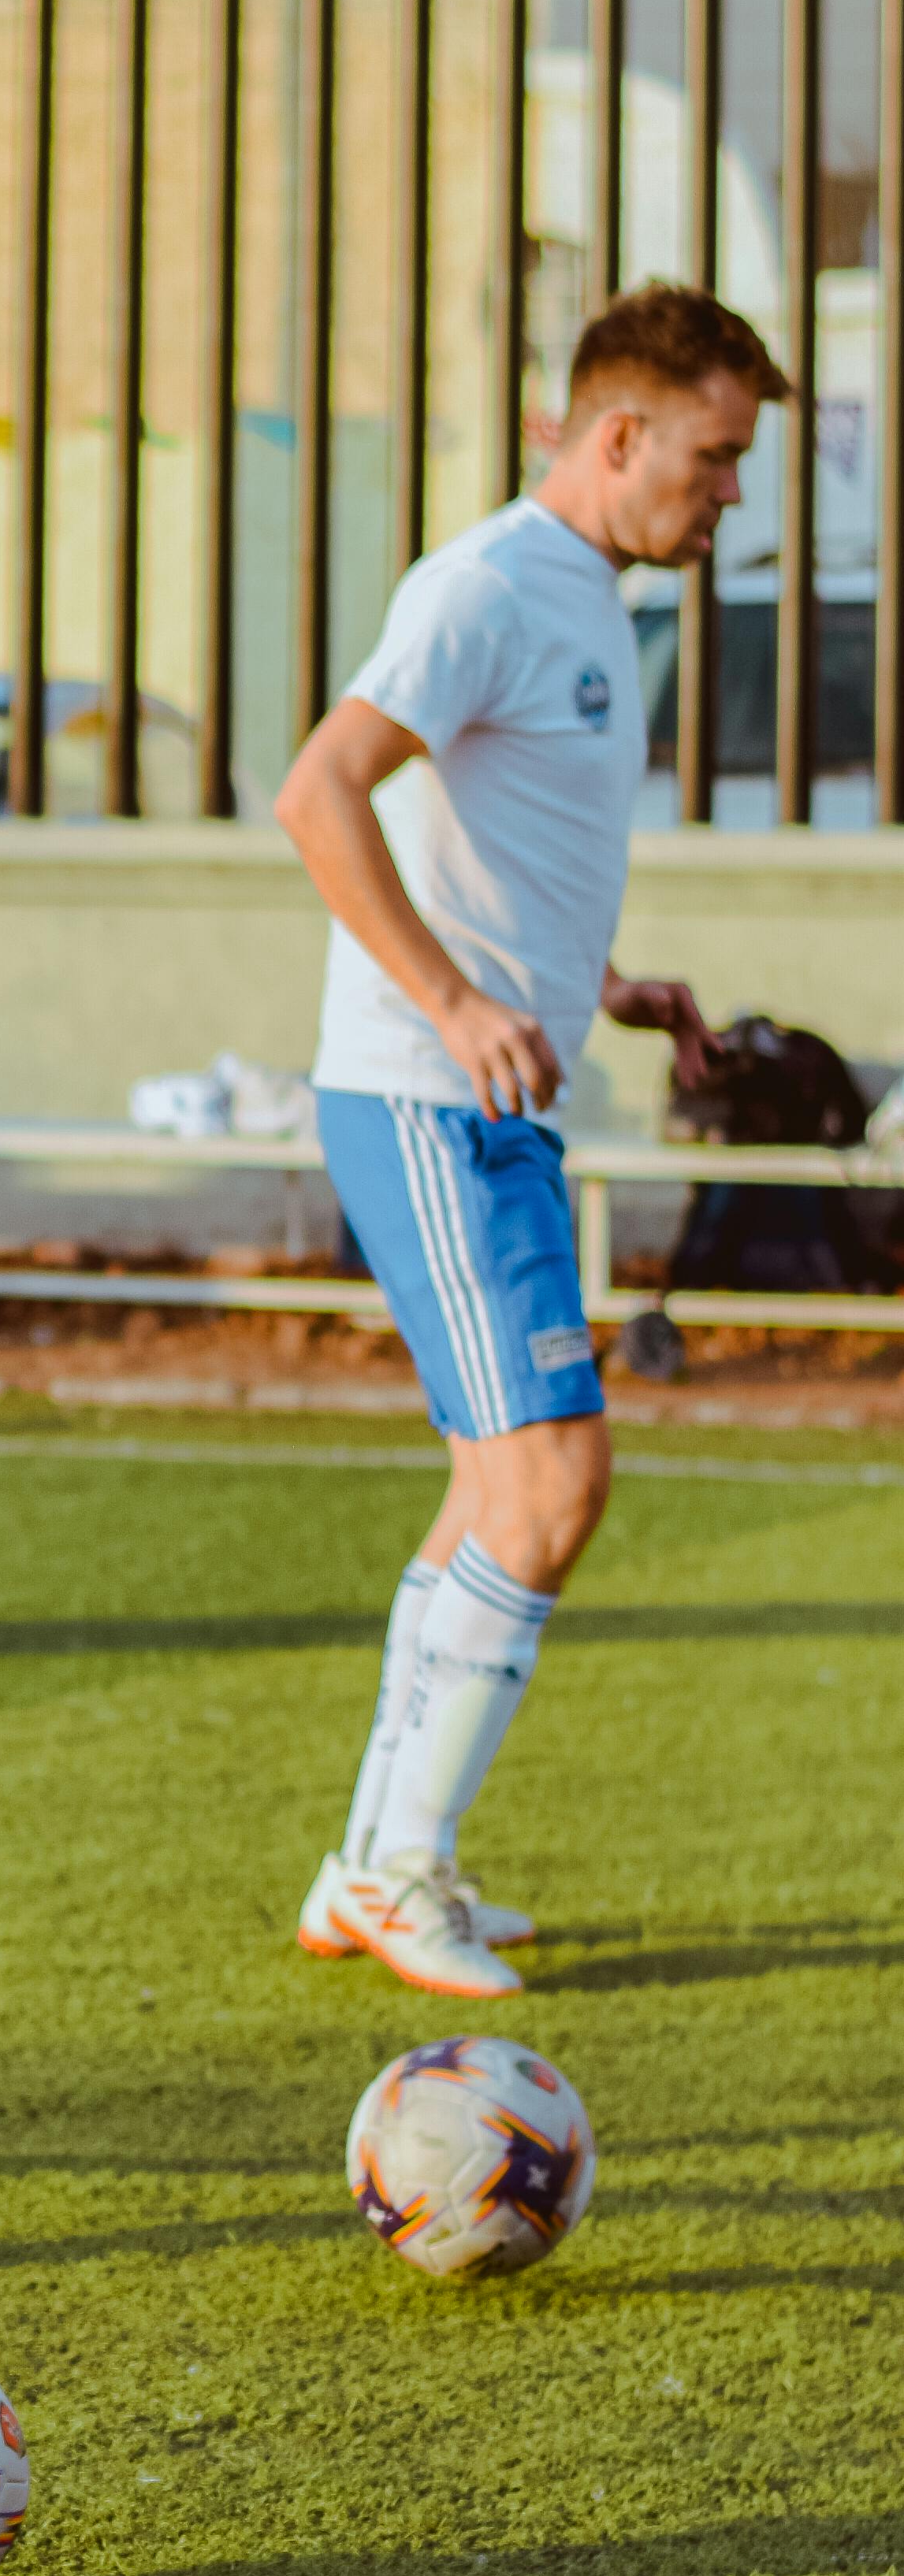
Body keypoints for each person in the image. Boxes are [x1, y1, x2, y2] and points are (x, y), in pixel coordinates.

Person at [276, 280, 786, 1998]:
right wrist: (451, 1004)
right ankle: (392, 1863)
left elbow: (488, 846)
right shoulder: (486, 583)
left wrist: (600, 990)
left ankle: (372, 1860)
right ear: (617, 433)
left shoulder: (574, 599)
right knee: (549, 1481)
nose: (726, 495)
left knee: (493, 1491)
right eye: (713, 458)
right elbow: (319, 790)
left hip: (488, 1093)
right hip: (428, 1096)